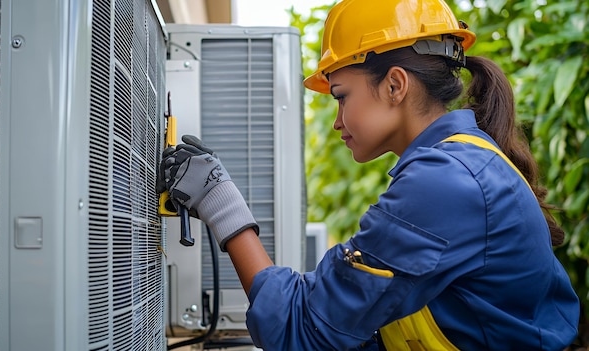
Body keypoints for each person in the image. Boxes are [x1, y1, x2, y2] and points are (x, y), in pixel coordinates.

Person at [158, 0, 581, 349]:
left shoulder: (445, 183)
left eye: (342, 97)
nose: (337, 122)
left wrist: (220, 201)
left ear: (395, 85)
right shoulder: (461, 165)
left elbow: (304, 330)